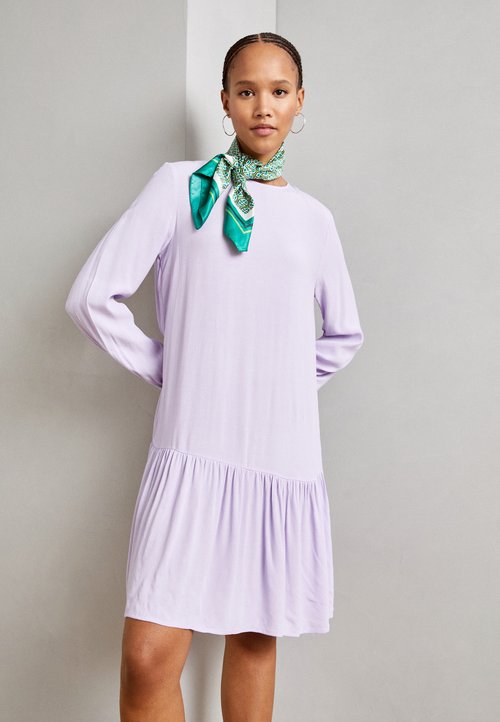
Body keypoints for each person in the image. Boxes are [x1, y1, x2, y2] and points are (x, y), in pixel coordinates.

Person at [65, 31, 364, 722]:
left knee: (253, 642)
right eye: (247, 91)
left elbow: (344, 334)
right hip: (192, 447)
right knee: (148, 660)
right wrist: (170, 370)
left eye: (279, 91)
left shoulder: (314, 220)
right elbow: (91, 298)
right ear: (224, 100)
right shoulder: (180, 187)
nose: (264, 106)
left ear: (300, 101)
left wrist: (278, 385)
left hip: (278, 456)